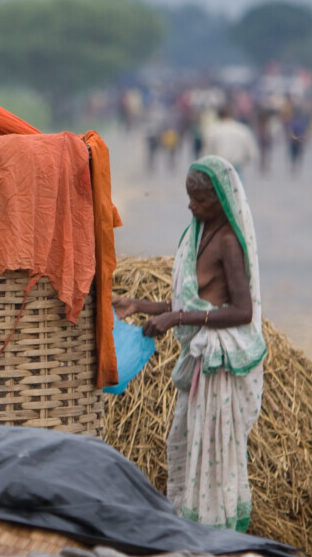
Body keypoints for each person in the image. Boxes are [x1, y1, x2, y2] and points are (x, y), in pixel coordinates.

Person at [113, 156, 264, 529]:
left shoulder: (228, 241)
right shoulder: (199, 234)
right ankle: (191, 528)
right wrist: (139, 306)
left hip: (218, 367)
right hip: (198, 360)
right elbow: (195, 302)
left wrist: (176, 319)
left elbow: (242, 311)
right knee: (184, 444)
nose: (192, 206)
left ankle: (214, 534)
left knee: (213, 456)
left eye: (199, 200)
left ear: (221, 199)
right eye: (189, 198)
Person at [203, 105, 259, 174]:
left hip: (218, 167)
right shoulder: (242, 130)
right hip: (236, 167)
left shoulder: (212, 130)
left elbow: (206, 153)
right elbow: (252, 154)